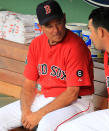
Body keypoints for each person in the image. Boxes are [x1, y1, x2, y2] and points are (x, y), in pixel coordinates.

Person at [0, 0, 94, 131]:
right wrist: (26, 111)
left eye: (59, 23)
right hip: (45, 98)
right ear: (41, 27)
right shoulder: (36, 44)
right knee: (1, 117)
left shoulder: (75, 46)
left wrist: (38, 115)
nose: (56, 30)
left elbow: (72, 93)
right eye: (49, 26)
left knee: (46, 124)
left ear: (65, 18)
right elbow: (29, 84)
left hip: (77, 103)